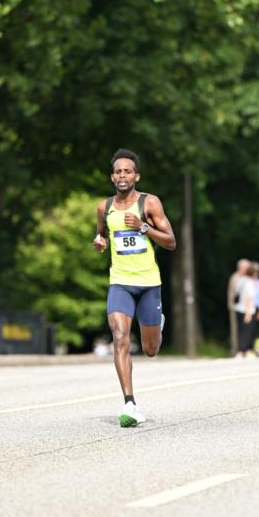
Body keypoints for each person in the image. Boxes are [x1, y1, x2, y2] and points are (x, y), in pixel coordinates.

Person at [93, 149, 176, 427]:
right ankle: (129, 403)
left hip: (149, 283)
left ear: (136, 176)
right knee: (120, 337)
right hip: (120, 282)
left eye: (127, 171)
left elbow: (171, 241)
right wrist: (100, 242)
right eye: (118, 172)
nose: (122, 176)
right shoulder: (104, 208)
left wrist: (143, 228)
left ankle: (157, 323)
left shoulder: (149, 203)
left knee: (151, 349)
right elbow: (102, 234)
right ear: (112, 177)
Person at [233, 262, 257, 358]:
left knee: (240, 330)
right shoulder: (250, 283)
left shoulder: (240, 280)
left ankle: (240, 350)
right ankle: (243, 350)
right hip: (247, 310)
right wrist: (248, 313)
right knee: (247, 331)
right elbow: (248, 298)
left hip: (238, 308)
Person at [227, 258, 250, 356]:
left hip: (246, 307)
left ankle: (244, 349)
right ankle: (235, 350)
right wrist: (231, 306)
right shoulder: (235, 277)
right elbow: (232, 293)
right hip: (236, 307)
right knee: (235, 329)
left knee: (245, 329)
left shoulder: (248, 278)